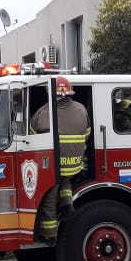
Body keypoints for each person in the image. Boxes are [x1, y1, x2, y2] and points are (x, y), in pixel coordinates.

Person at [31, 76, 90, 243]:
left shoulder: (43, 112)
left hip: (53, 164)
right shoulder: (81, 109)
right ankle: (67, 203)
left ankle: (49, 233)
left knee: (49, 194)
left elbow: (32, 137)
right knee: (65, 178)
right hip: (75, 163)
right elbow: (87, 133)